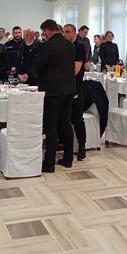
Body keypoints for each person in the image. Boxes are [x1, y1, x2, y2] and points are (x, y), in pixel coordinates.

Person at [34, 19, 75, 173]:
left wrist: (38, 78)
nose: (44, 35)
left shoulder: (48, 45)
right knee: (66, 124)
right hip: (68, 90)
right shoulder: (70, 45)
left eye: (44, 32)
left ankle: (49, 163)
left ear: (47, 30)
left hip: (52, 92)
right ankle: (68, 159)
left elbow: (38, 66)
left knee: (51, 127)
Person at [63, 24, 87, 161]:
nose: (65, 34)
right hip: (63, 87)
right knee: (64, 118)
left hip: (76, 87)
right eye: (63, 32)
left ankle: (82, 146)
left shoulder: (79, 47)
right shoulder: (63, 47)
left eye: (67, 32)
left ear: (74, 33)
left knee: (77, 119)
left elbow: (75, 70)